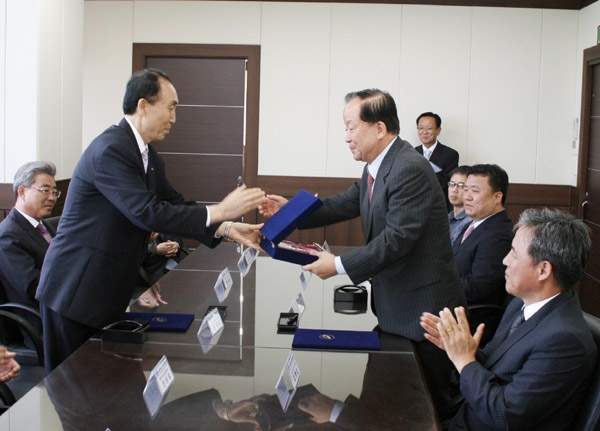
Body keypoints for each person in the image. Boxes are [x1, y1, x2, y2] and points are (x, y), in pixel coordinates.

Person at [36, 68, 265, 373]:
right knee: (72, 387)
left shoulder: (147, 156)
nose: (174, 118)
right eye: (170, 108)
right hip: (76, 291)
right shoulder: (111, 149)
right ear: (143, 106)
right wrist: (221, 210)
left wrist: (227, 228)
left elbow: (173, 203)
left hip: (106, 290)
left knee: (103, 385)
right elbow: (147, 212)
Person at [260, 89, 466, 421]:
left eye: (351, 127)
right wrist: (291, 210)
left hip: (422, 316)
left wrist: (338, 265)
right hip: (397, 308)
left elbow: (397, 239)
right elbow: (343, 203)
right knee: (386, 406)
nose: (346, 137)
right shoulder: (379, 165)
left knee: (419, 414)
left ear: (379, 128)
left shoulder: (408, 168)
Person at [421, 208, 597, 431]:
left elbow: (506, 415)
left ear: (543, 270)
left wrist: (465, 360)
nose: (505, 260)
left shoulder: (565, 340)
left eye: (513, 253)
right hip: (464, 416)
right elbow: (494, 364)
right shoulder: (520, 304)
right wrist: (458, 347)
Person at [0, 161, 59, 346]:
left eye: (55, 192)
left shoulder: (44, 226)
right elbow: (32, 287)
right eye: (45, 190)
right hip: (41, 323)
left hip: (59, 308)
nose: (52, 197)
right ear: (22, 191)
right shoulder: (8, 235)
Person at [453, 164, 513, 307]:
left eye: (474, 191)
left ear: (497, 197)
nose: (467, 197)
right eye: (465, 189)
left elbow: (478, 288)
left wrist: (438, 287)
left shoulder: (498, 234)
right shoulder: (473, 224)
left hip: (471, 314)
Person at [414, 112, 459, 211]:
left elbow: (449, 182)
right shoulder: (412, 152)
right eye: (421, 128)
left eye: (429, 128)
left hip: (438, 205)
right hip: (415, 205)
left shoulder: (450, 154)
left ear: (438, 131)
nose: (424, 132)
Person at [447, 165, 471, 245]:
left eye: (461, 186)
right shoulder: (448, 217)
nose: (454, 190)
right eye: (451, 184)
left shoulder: (470, 222)